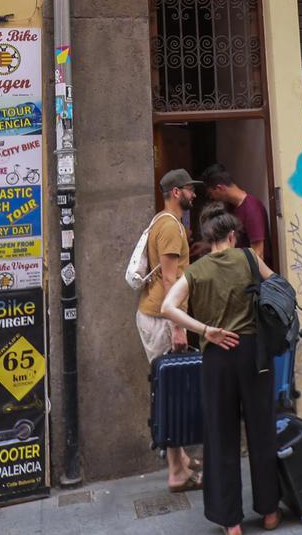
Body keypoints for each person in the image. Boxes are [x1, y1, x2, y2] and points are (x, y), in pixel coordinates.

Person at [161, 202, 283, 534]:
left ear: (207, 237)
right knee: (261, 430)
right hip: (254, 353)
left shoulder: (196, 270)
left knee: (221, 434)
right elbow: (279, 286)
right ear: (232, 235)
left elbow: (167, 306)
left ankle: (231, 523)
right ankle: (270, 512)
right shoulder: (248, 258)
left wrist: (204, 330)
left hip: (217, 355)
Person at [137, 168, 201, 493]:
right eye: (190, 189)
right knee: (171, 391)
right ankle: (176, 470)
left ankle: (182, 459)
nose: (194, 194)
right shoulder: (171, 228)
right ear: (176, 192)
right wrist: (179, 327)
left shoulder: (161, 222)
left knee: (171, 387)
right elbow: (170, 279)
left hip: (156, 314)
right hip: (162, 318)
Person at [202, 163, 273, 267]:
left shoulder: (252, 209)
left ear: (219, 188)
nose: (211, 198)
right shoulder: (231, 207)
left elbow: (258, 254)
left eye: (210, 194)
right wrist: (206, 246)